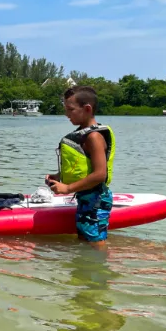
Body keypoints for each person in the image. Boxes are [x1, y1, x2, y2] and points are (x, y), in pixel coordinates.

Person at [45, 85, 115, 246]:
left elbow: (99, 174)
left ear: (87, 108)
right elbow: (84, 168)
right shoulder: (83, 135)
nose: (66, 114)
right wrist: (59, 177)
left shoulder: (94, 137)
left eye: (70, 109)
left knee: (95, 244)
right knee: (85, 240)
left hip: (96, 199)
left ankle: (101, 268)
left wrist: (68, 189)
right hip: (86, 197)